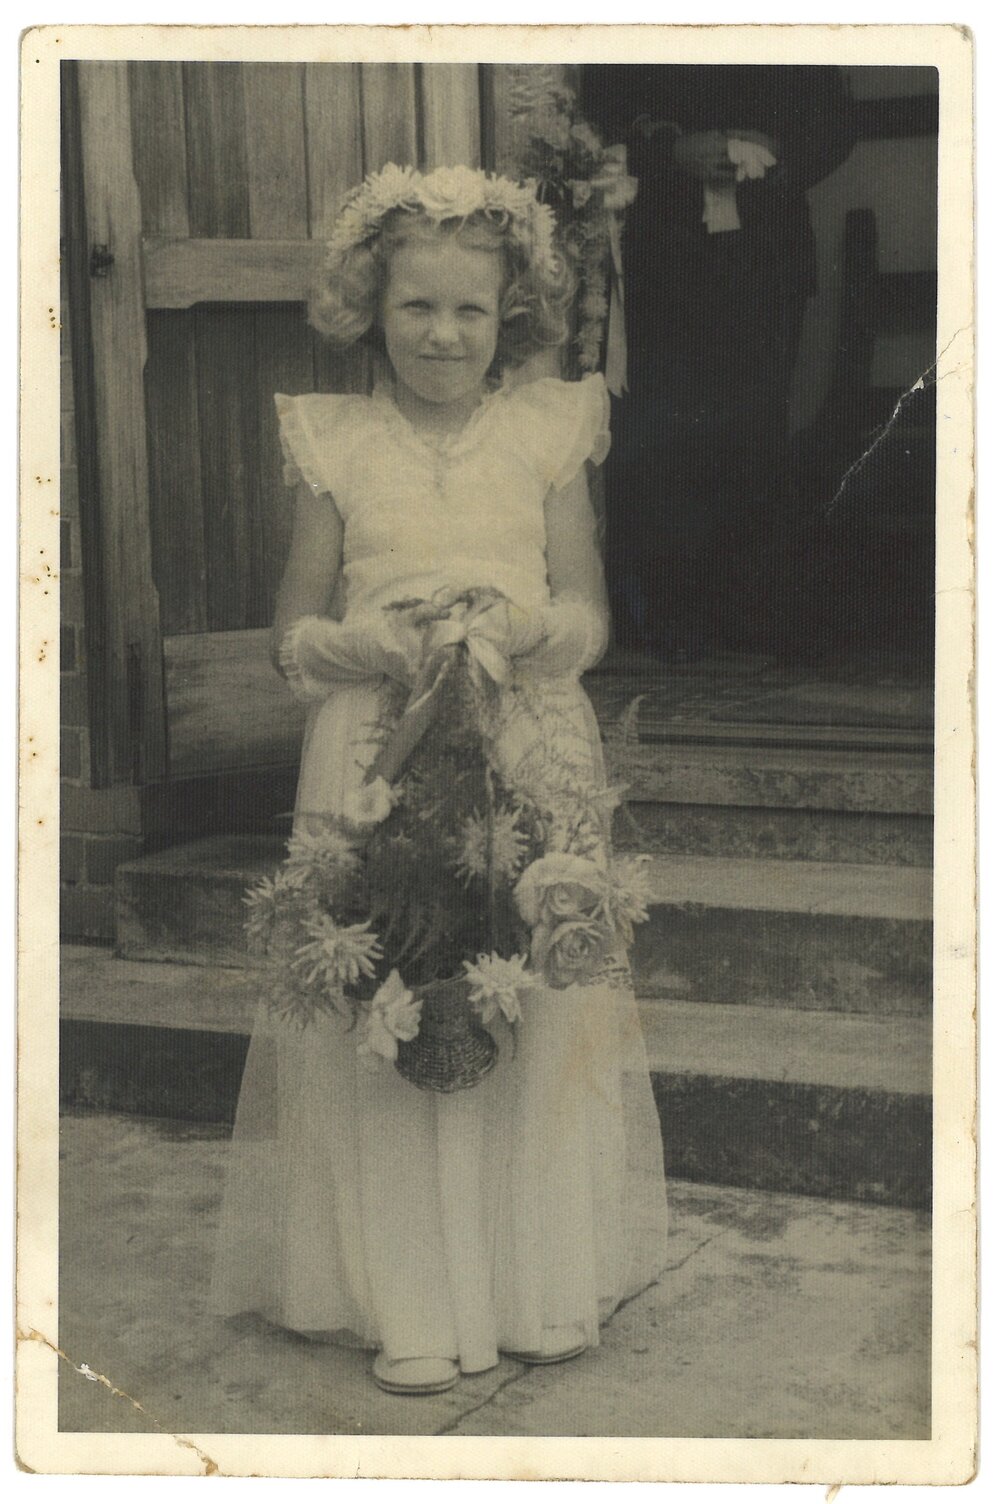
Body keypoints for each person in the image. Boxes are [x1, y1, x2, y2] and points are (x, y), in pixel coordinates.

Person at [209, 164, 670, 1397]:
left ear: (511, 312)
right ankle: (410, 1296)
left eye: (471, 310)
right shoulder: (337, 438)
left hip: (525, 735)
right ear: (372, 305)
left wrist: (524, 630)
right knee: (391, 990)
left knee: (525, 996)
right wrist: (364, 644)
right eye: (416, 307)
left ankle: (536, 1281)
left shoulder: (548, 428)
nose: (443, 334)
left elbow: (589, 609)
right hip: (373, 750)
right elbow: (290, 626)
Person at [580, 65, 856, 658]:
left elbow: (834, 122)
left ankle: (749, 617)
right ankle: (670, 618)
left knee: (753, 431)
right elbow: (593, 113)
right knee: (665, 436)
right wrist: (670, 151)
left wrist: (776, 154)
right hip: (661, 259)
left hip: (765, 260)